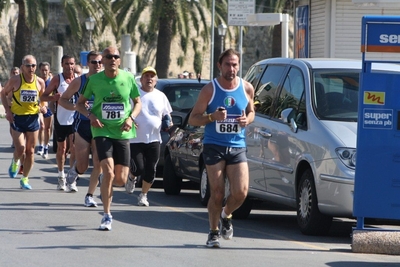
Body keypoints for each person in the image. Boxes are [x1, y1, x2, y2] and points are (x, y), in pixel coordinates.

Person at [188, 48, 255, 248]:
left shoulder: (247, 88)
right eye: (227, 64)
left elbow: (252, 112)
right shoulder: (210, 89)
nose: (231, 69)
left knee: (241, 192)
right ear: (220, 66)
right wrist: (211, 117)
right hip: (214, 146)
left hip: (237, 146)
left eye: (235, 65)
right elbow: (193, 118)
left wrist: (246, 120)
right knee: (216, 193)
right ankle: (213, 232)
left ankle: (226, 215)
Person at [76, 47, 141, 230]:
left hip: (122, 132)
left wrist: (131, 118)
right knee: (109, 173)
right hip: (102, 131)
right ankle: (107, 215)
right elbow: (80, 104)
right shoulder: (94, 80)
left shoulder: (128, 78)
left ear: (120, 60)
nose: (112, 59)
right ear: (103, 60)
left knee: (120, 179)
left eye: (115, 56)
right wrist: (91, 116)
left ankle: (109, 179)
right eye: (108, 57)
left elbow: (137, 102)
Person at [59, 51, 103, 206]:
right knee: (83, 165)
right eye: (93, 62)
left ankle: (90, 195)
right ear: (87, 64)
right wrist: (76, 108)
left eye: (99, 62)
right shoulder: (79, 81)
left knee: (98, 162)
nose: (97, 65)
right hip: (82, 125)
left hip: (101, 125)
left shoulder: (106, 81)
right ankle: (75, 171)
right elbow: (62, 100)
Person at [126, 66, 172, 206]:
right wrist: (130, 121)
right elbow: (125, 112)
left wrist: (168, 123)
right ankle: (131, 177)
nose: (149, 79)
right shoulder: (134, 95)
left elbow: (167, 115)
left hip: (154, 139)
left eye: (152, 76)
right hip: (136, 138)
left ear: (156, 80)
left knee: (151, 170)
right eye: (146, 76)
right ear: (141, 79)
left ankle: (143, 195)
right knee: (138, 168)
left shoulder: (161, 96)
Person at [1, 55, 46, 190]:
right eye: (28, 66)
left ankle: (25, 178)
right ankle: (15, 161)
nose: (31, 68)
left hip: (32, 118)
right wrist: (8, 111)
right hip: (18, 118)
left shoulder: (40, 82)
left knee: (31, 151)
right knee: (20, 148)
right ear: (22, 67)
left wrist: (42, 107)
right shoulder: (15, 80)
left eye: (33, 66)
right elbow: (3, 93)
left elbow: (42, 98)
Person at [40, 55, 77, 191]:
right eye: (67, 63)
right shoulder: (57, 79)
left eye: (72, 63)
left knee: (74, 148)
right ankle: (61, 175)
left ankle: (72, 178)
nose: (69, 66)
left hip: (75, 118)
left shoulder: (78, 79)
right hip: (61, 118)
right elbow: (43, 96)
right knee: (62, 149)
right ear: (62, 64)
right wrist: (53, 97)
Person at [37, 62, 53, 159]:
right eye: (42, 70)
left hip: (49, 107)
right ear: (40, 70)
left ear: (49, 71)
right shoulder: (37, 81)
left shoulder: (52, 81)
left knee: (47, 128)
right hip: (39, 106)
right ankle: (41, 146)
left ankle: (46, 147)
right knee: (41, 126)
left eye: (46, 70)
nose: (44, 72)